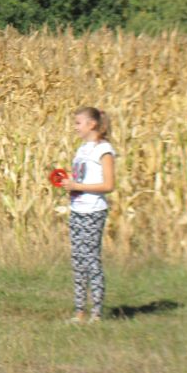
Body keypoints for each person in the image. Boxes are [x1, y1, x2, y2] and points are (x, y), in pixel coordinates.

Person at [61, 106, 116, 323]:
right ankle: (79, 312)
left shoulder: (104, 150)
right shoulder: (82, 149)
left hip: (93, 211)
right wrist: (70, 185)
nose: (75, 127)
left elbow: (108, 185)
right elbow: (81, 178)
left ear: (91, 124)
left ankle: (97, 313)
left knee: (91, 261)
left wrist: (78, 186)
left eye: (78, 123)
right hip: (77, 209)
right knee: (78, 261)